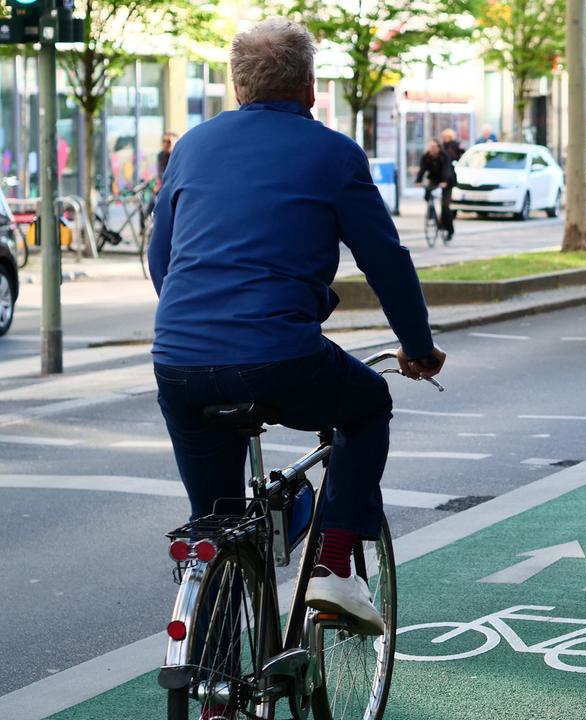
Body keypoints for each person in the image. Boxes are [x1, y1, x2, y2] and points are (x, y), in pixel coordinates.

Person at [147, 18, 446, 637]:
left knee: (214, 519)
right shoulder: (334, 153)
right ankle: (334, 567)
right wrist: (417, 347)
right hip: (281, 357)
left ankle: (212, 689)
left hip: (179, 363)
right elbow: (385, 260)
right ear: (311, 88)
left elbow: (162, 260)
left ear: (237, 86)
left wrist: (201, 324)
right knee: (366, 405)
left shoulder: (192, 148)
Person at [415, 138, 454, 243]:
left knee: (445, 205)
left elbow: (446, 170)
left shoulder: (444, 156)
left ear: (438, 148)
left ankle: (449, 229)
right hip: (434, 180)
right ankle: (432, 215)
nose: (431, 150)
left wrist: (445, 181)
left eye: (433, 147)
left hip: (446, 181)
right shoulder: (426, 157)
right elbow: (422, 170)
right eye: (430, 147)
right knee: (427, 196)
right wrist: (418, 181)